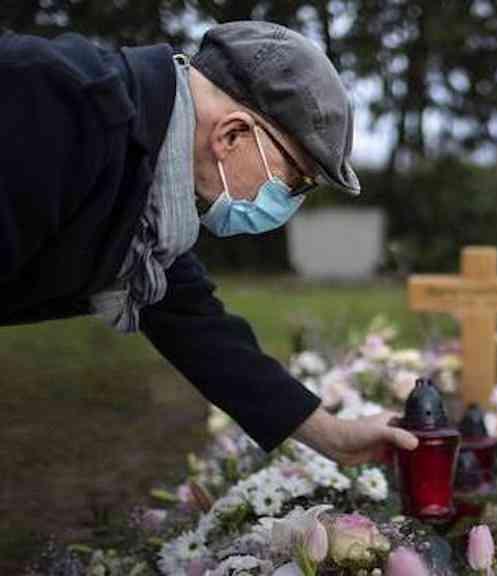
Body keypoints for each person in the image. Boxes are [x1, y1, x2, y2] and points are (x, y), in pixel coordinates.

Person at [0, 21, 418, 463]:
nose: (290, 203)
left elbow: (191, 320)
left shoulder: (146, 193)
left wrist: (332, 434)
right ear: (231, 134)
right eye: (295, 181)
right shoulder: (57, 103)